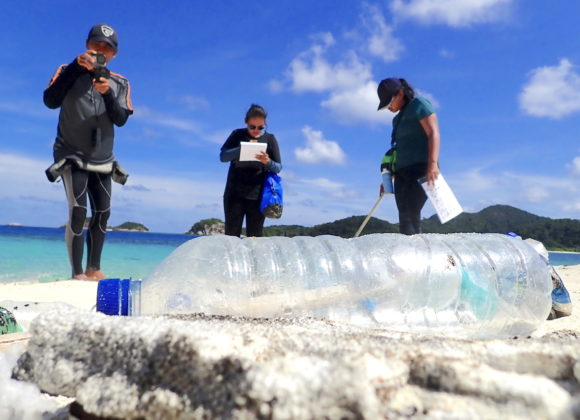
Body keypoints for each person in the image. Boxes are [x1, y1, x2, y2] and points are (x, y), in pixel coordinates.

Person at [43, 24, 133, 280]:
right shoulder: (66, 71)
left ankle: (94, 267)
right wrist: (75, 67)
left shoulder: (120, 82)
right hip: (71, 154)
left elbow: (121, 119)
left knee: (103, 212)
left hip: (103, 159)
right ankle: (77, 272)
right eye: (96, 45)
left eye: (107, 47)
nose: (100, 50)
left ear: (114, 53)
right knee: (78, 209)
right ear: (86, 44)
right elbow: (50, 101)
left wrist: (107, 95)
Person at [377, 78, 440, 235]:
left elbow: (433, 132)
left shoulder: (419, 104)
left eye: (389, 103)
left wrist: (432, 164)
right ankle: (410, 251)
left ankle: (417, 253)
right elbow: (398, 150)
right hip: (401, 173)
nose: (388, 108)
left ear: (400, 94)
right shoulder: (396, 120)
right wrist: (388, 178)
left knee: (411, 214)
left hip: (421, 168)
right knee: (404, 216)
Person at [220, 104, 282, 237]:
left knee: (255, 238)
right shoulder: (237, 134)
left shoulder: (270, 139)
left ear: (265, 124)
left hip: (258, 196)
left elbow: (278, 167)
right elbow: (223, 157)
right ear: (246, 121)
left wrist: (267, 161)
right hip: (234, 194)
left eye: (260, 127)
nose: (256, 130)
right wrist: (241, 149)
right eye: (252, 127)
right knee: (231, 236)